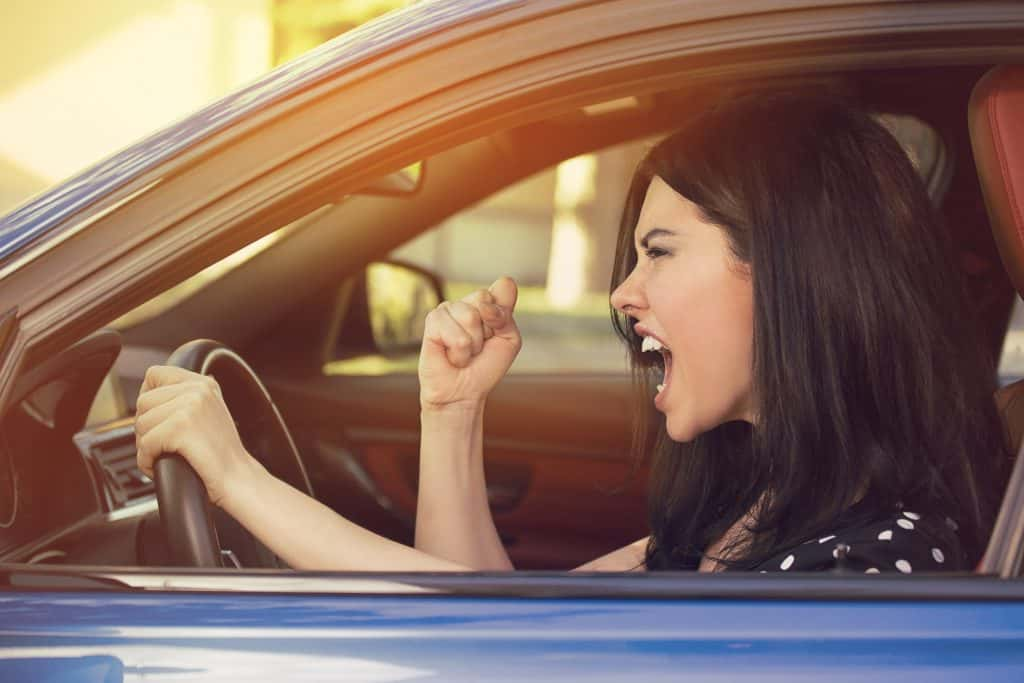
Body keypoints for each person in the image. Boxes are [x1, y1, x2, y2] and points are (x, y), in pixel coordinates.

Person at [135, 92, 1009, 573]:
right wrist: (453, 412)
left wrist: (236, 477)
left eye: (658, 253)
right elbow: (499, 634)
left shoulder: (869, 572)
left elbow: (473, 644)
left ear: (788, 271)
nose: (623, 292)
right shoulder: (755, 497)